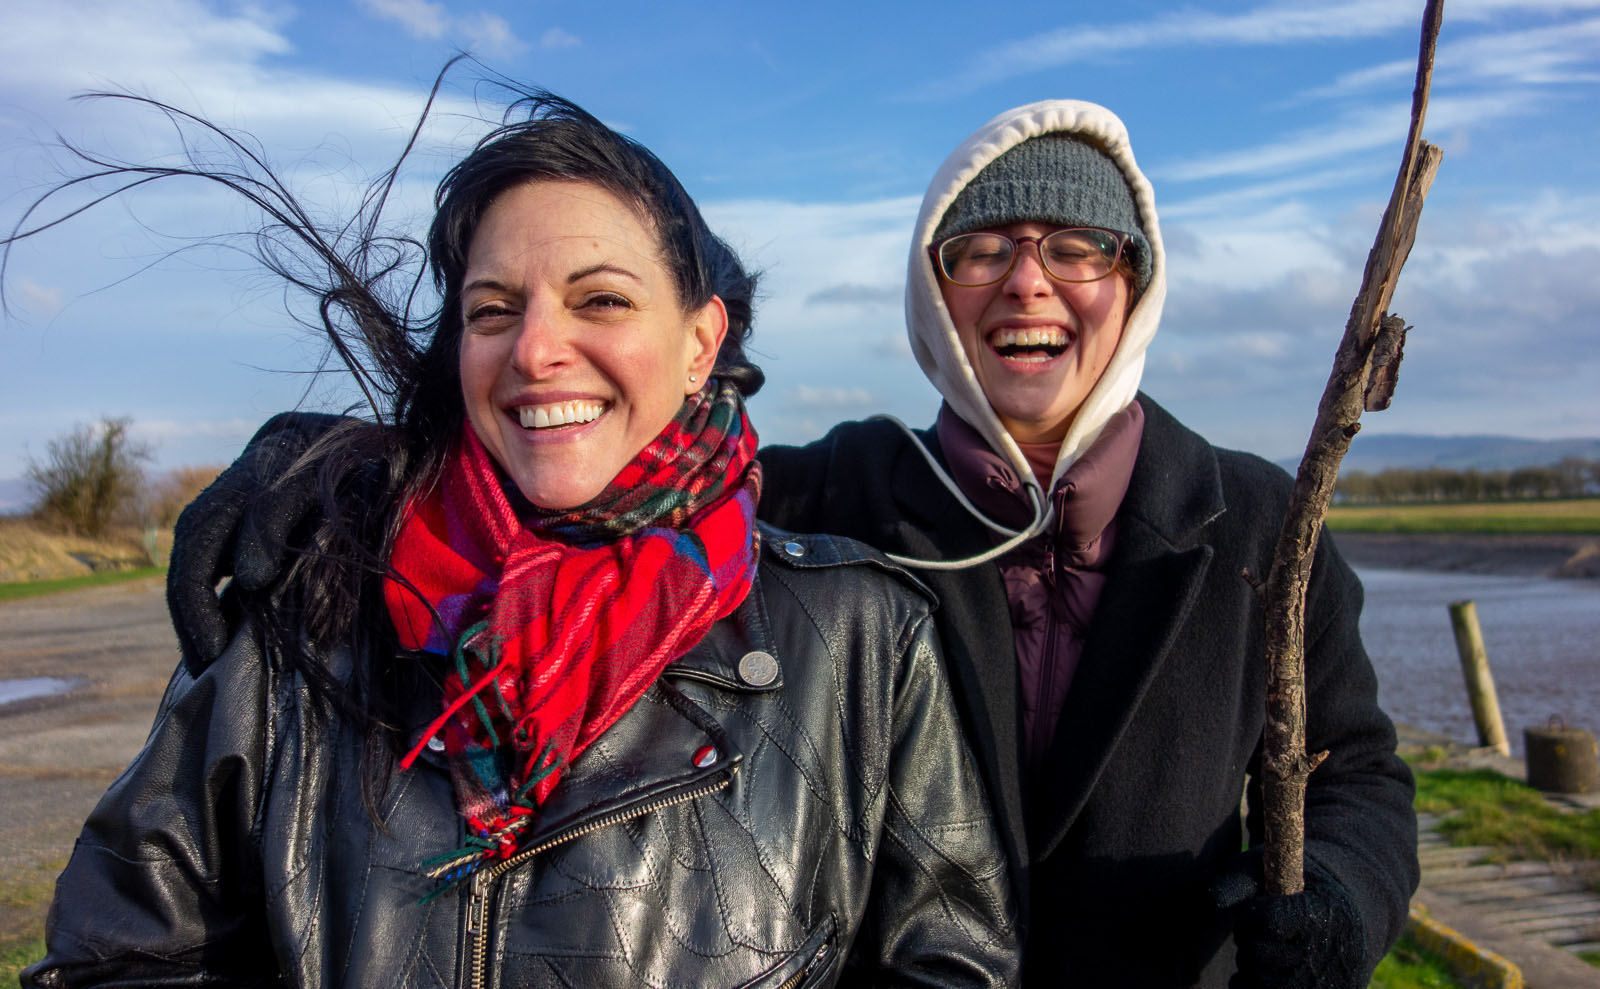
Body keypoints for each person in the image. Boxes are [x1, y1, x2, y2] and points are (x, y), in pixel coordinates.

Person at [166, 99, 1419, 987]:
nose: (1027, 283)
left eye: (1074, 248)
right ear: (934, 294)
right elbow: (614, 468)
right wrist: (359, 470)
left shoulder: (1258, 523)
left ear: (1134, 282)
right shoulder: (837, 494)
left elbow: (1353, 767)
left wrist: (1348, 897)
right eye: (981, 249)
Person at [16, 90, 1018, 987]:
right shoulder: (302, 601)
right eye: (492, 310)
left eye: (601, 300)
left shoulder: (864, 641)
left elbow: (950, 961)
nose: (535, 348)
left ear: (700, 342)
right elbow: (123, 949)